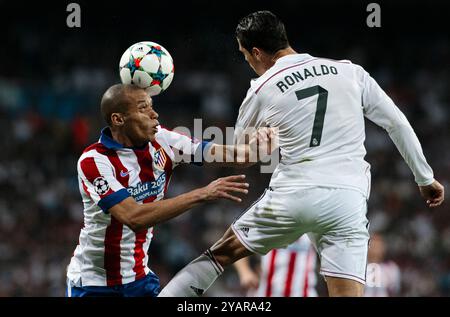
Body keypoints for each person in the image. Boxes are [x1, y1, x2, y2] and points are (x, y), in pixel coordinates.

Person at [158, 10, 445, 297]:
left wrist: (262, 146)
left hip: (292, 195)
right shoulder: (350, 71)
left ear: (256, 52)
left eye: (245, 55)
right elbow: (396, 123)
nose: (247, 62)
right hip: (347, 200)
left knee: (218, 256)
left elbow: (242, 155)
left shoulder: (261, 88)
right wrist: (424, 178)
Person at [65, 83, 270, 297]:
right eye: (143, 108)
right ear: (118, 119)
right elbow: (133, 216)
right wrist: (201, 194)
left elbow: (236, 156)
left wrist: (266, 144)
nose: (155, 114)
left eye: (152, 106)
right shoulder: (94, 161)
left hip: (139, 279)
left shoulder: (163, 140)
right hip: (93, 284)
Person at [234, 234, 317, 297]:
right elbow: (238, 240)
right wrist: (244, 271)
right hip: (267, 292)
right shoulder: (269, 220)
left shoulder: (314, 224)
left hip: (304, 293)